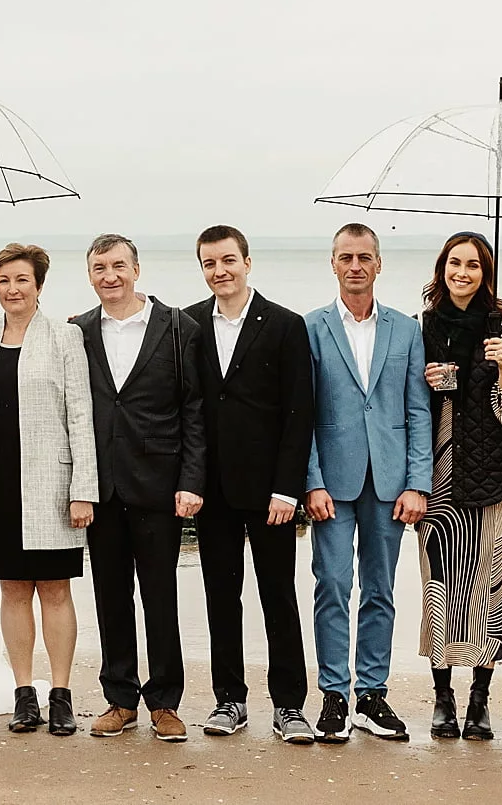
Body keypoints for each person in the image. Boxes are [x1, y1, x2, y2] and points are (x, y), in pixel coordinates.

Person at [72, 234, 206, 744]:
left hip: (159, 485)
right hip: (101, 485)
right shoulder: (78, 331)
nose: (110, 276)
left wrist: (191, 481)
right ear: (89, 274)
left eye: (118, 266)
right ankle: (120, 698)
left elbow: (194, 411)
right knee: (110, 596)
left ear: (136, 269)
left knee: (160, 597)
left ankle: (166, 702)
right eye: (99, 267)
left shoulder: (177, 327)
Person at [184, 226, 316, 743]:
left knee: (278, 596)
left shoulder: (285, 325)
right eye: (210, 263)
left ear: (247, 262)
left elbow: (298, 413)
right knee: (221, 596)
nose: (220, 271)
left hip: (270, 495)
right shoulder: (190, 323)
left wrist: (288, 490)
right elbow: (188, 407)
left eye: (228, 261)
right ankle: (229, 700)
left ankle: (289, 706)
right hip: (211, 490)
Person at [303, 223, 431, 744]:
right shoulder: (310, 328)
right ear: (332, 263)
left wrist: (417, 483)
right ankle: (334, 695)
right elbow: (303, 414)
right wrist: (311, 480)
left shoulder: (406, 329)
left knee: (380, 590)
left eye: (364, 257)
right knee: (332, 584)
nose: (355, 265)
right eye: (345, 257)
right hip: (332, 482)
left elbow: (418, 411)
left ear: (379, 264)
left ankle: (372, 696)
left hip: (390, 482)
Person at [415, 232, 502, 741]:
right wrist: (427, 380)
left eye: (475, 265)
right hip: (439, 475)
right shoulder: (422, 327)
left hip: (498, 476)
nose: (463, 272)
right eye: (455, 263)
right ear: (442, 268)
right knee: (441, 588)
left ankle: (481, 699)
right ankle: (443, 697)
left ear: (487, 274)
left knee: (491, 592)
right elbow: (407, 403)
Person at [0, 243, 97, 738]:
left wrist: (83, 488)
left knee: (54, 589)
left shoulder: (65, 337)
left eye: (22, 280)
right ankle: (23, 693)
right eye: (4, 280)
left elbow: (81, 414)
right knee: (12, 590)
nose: (12, 289)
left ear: (39, 285)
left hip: (52, 483)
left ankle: (62, 694)